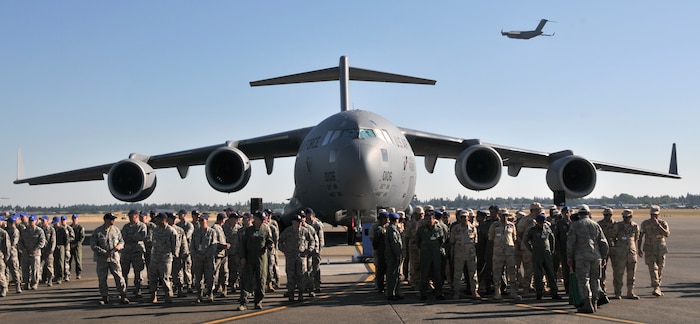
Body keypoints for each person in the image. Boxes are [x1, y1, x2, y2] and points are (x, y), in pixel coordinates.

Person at [567, 205, 609, 313]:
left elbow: (570, 243)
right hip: (596, 256)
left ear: (579, 214)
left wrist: (569, 257)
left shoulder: (575, 225)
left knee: (583, 280)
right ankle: (594, 302)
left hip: (582, 257)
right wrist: (604, 257)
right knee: (595, 279)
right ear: (588, 213)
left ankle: (587, 303)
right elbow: (604, 243)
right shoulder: (595, 225)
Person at [237, 211, 274, 311]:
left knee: (261, 279)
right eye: (258, 219)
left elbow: (269, 240)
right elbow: (243, 245)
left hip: (261, 258)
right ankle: (243, 302)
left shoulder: (266, 229)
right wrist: (243, 257)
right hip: (249, 257)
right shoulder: (248, 230)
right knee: (246, 280)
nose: (259, 221)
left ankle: (258, 301)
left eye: (261, 220)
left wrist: (270, 245)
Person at [91, 213, 129, 305]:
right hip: (102, 259)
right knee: (102, 278)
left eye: (113, 219)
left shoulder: (116, 230)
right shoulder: (98, 231)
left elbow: (122, 241)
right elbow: (93, 245)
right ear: (105, 220)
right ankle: (104, 297)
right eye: (111, 219)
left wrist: (119, 247)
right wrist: (104, 252)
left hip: (114, 258)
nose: (113, 221)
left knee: (119, 277)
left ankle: (123, 295)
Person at [278, 211, 314, 302]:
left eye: (299, 222)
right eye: (295, 222)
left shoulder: (305, 231)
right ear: (292, 222)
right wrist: (284, 250)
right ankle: (291, 294)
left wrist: (308, 250)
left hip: (301, 257)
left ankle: (301, 294)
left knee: (301, 275)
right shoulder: (288, 231)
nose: (297, 224)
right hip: (290, 257)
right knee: (291, 276)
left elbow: (312, 241)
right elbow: (280, 241)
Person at [526, 213, 561, 300]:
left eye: (543, 222)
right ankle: (539, 293)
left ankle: (554, 292)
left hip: (546, 253)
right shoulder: (532, 230)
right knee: (538, 275)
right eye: (540, 222)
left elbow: (552, 238)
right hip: (537, 254)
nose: (542, 224)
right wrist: (531, 249)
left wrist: (551, 250)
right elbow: (526, 240)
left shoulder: (547, 228)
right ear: (537, 222)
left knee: (551, 273)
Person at [638, 205, 670, 297]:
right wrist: (639, 248)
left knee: (660, 268)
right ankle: (656, 287)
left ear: (659, 214)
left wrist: (658, 225)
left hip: (660, 249)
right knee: (653, 268)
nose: (653, 216)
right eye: (652, 214)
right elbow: (640, 236)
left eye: (655, 215)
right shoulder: (645, 223)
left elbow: (667, 234)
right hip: (649, 249)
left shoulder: (663, 223)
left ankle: (658, 286)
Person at [489, 208, 520, 300]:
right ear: (499, 215)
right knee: (497, 272)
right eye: (502, 215)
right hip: (498, 252)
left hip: (509, 252)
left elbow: (514, 238)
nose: (504, 217)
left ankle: (513, 292)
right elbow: (491, 238)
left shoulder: (511, 226)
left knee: (512, 272)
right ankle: (497, 292)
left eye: (506, 215)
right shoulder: (494, 225)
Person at [415, 210, 446, 300]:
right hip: (425, 254)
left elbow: (442, 240)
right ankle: (423, 293)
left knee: (437, 275)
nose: (429, 220)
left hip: (436, 254)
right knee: (424, 274)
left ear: (434, 219)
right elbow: (418, 241)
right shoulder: (421, 230)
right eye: (427, 219)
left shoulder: (439, 229)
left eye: (431, 219)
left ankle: (439, 293)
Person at [148, 213, 178, 303]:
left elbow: (175, 245)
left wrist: (173, 255)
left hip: (165, 258)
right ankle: (153, 295)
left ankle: (167, 295)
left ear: (163, 220)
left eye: (157, 219)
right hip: (155, 257)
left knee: (165, 277)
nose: (155, 221)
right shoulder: (156, 230)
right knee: (152, 277)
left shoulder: (171, 231)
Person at [610, 209, 640, 299]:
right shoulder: (618, 226)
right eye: (624, 217)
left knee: (631, 274)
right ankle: (617, 292)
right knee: (619, 274)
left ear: (631, 217)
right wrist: (616, 248)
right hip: (620, 253)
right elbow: (612, 237)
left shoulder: (635, 226)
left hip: (631, 253)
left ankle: (630, 292)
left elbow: (636, 239)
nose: (625, 218)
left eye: (627, 217)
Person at [451, 210, 479, 299]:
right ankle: (456, 292)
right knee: (457, 274)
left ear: (468, 218)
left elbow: (475, 242)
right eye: (462, 217)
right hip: (459, 255)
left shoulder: (473, 228)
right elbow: (452, 242)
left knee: (473, 274)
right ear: (459, 218)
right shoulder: (455, 229)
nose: (464, 219)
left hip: (470, 255)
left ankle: (474, 291)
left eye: (465, 217)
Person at [191, 213, 219, 303]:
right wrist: (196, 255)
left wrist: (206, 256)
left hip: (208, 259)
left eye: (203, 220)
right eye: (200, 221)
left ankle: (210, 293)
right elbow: (192, 246)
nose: (201, 222)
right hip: (198, 259)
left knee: (210, 277)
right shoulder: (195, 232)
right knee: (198, 278)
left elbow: (213, 246)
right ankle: (199, 294)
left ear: (207, 221)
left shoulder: (212, 232)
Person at [121, 209, 147, 298]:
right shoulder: (126, 226)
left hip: (137, 252)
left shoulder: (142, 226)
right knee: (124, 272)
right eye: (129, 217)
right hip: (126, 252)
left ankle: (138, 289)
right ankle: (123, 290)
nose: (130, 218)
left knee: (138, 272)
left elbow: (141, 236)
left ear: (136, 217)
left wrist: (131, 236)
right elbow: (123, 237)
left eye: (131, 217)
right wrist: (133, 236)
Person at [19, 215, 45, 290]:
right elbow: (20, 241)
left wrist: (36, 249)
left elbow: (42, 241)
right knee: (25, 269)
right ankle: (26, 283)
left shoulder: (39, 231)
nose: (31, 222)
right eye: (30, 221)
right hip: (26, 253)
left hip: (35, 254)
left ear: (35, 221)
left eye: (32, 221)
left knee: (35, 270)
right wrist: (23, 249)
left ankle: (34, 283)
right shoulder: (24, 231)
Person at [168, 212, 189, 298]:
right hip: (166, 256)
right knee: (167, 274)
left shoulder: (179, 230)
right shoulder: (164, 229)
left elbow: (184, 243)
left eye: (174, 218)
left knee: (178, 273)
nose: (173, 220)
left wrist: (184, 253)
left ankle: (180, 289)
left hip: (177, 255)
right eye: (171, 218)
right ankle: (169, 291)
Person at [305, 208, 324, 293]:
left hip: (315, 249)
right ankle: (308, 285)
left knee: (316, 267)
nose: (308, 217)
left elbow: (320, 238)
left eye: (310, 215)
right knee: (307, 268)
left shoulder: (317, 224)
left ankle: (317, 285)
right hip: (307, 249)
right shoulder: (304, 224)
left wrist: (319, 250)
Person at [404, 206, 424, 289]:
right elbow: (407, 237)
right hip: (413, 247)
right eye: (420, 214)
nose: (421, 216)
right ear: (415, 214)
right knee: (414, 265)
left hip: (423, 247)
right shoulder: (410, 223)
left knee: (423, 264)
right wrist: (406, 248)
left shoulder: (423, 223)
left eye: (422, 214)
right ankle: (414, 281)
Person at [554, 206, 572, 295]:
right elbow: (556, 237)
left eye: (568, 212)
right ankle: (568, 288)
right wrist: (557, 249)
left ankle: (575, 287)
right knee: (566, 269)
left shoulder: (574, 223)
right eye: (564, 212)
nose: (566, 214)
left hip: (573, 250)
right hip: (563, 250)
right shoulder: (559, 224)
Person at [598, 208, 616, 294]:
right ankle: (602, 286)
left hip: (613, 248)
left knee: (616, 269)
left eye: (608, 215)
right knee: (602, 269)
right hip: (603, 249)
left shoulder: (616, 225)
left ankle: (617, 288)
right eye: (605, 215)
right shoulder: (599, 224)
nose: (606, 217)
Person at [176, 209, 195, 293]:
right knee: (178, 269)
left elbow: (187, 236)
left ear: (185, 215)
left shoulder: (189, 225)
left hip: (187, 250)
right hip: (178, 250)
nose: (179, 216)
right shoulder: (178, 225)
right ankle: (179, 285)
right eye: (179, 215)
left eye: (181, 214)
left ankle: (189, 285)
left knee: (187, 268)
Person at [372, 212, 389, 294]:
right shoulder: (379, 229)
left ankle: (382, 286)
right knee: (381, 270)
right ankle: (380, 287)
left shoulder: (385, 227)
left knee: (382, 270)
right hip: (382, 252)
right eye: (386, 218)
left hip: (384, 251)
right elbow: (375, 241)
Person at [5, 216, 22, 293]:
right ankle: (5, 286)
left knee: (14, 270)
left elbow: (13, 243)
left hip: (12, 253)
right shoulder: (5, 230)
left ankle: (18, 285)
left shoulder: (15, 231)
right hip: (5, 253)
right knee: (5, 271)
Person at [39, 216, 56, 287]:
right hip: (41, 251)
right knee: (39, 266)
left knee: (49, 266)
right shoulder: (39, 229)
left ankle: (50, 279)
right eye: (41, 220)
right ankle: (42, 279)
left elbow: (53, 241)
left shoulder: (51, 229)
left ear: (47, 221)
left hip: (48, 251)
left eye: (43, 220)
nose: (42, 222)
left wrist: (51, 251)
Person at [53, 216, 69, 284]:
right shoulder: (53, 229)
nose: (54, 224)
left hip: (61, 246)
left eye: (55, 223)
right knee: (55, 262)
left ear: (58, 222)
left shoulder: (63, 230)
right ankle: (56, 276)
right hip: (55, 247)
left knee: (60, 262)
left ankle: (60, 276)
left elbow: (66, 239)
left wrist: (64, 247)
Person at [69, 214, 85, 280]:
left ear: (77, 219)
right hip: (70, 246)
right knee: (68, 260)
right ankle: (68, 273)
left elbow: (82, 237)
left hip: (77, 247)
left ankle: (78, 273)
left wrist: (76, 244)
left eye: (75, 218)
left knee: (78, 260)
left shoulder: (80, 228)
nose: (74, 220)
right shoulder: (69, 227)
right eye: (73, 218)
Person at [0, 222, 10, 297]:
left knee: (0, 274)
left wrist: (6, 257)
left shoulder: (3, 233)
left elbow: (7, 246)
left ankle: (3, 287)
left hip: (0, 256)